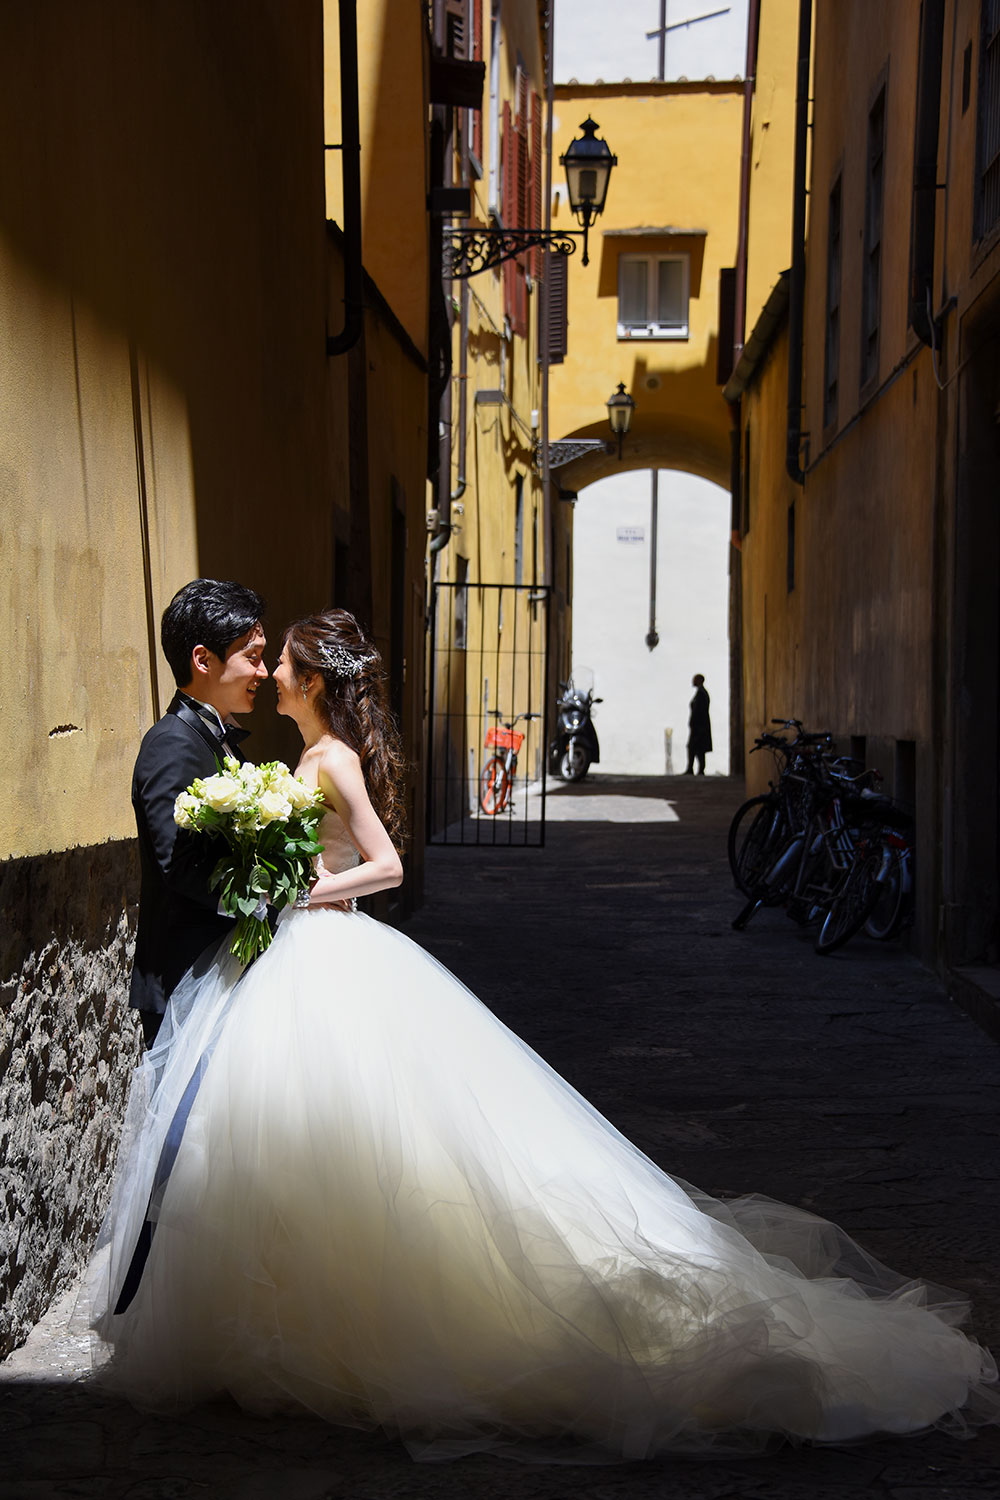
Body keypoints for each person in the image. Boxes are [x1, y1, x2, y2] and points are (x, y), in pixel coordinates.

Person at [90, 608, 997, 1462]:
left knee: (379, 1142)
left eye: (281, 659)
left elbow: (388, 866)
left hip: (324, 952)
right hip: (293, 962)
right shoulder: (305, 753)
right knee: (303, 1146)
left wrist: (298, 892)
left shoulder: (331, 761)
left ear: (313, 679)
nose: (271, 670)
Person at [130, 579, 267, 1048]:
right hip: (185, 983)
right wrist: (265, 898)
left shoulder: (218, 739)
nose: (263, 672)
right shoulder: (172, 744)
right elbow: (179, 866)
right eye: (252, 657)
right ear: (203, 659)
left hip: (219, 975)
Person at [684, 673, 712, 776]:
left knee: (695, 747)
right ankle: (696, 769)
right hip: (698, 726)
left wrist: (695, 724)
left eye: (695, 679)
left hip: (699, 727)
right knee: (697, 748)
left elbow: (699, 711)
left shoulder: (701, 694)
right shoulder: (701, 693)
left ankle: (696, 769)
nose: (693, 681)